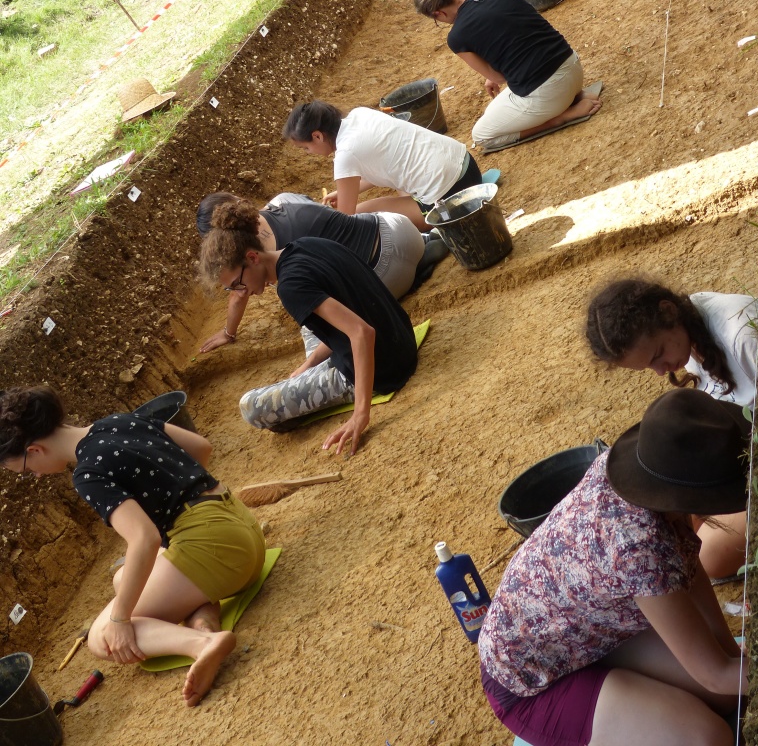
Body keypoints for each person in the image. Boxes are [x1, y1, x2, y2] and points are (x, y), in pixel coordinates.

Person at [479, 388, 749, 746]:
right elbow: (714, 674)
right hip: (528, 684)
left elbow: (688, 565)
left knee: (731, 691)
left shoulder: (641, 477)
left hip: (583, 637)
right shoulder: (638, 549)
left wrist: (729, 650)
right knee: (707, 738)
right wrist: (730, 666)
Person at [0, 385, 266, 707]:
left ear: (35, 451)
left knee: (101, 637)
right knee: (122, 578)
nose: (37, 477)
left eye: (25, 472)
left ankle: (202, 643)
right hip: (242, 529)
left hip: (217, 551)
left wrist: (120, 620)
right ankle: (203, 622)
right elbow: (201, 448)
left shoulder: (87, 473)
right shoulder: (119, 421)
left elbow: (145, 538)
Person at [198, 199, 418, 455]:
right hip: (402, 340)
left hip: (383, 369)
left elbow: (361, 333)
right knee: (309, 322)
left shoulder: (290, 287)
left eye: (237, 283)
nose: (240, 292)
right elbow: (352, 312)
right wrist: (307, 365)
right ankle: (313, 374)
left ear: (252, 257)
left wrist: (361, 414)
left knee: (250, 406)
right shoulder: (303, 244)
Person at [586, 277, 758, 578]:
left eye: (657, 356)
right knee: (676, 530)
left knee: (705, 559)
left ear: (667, 312)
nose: (661, 371)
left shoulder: (742, 335)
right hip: (744, 459)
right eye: (648, 367)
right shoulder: (687, 330)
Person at [196, 192, 437, 353]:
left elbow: (240, 293)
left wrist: (229, 333)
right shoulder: (282, 199)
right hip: (400, 228)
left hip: (387, 273)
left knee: (315, 322)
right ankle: (428, 245)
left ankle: (414, 271)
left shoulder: (271, 257)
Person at [413, 0, 601, 152]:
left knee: (482, 135)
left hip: (548, 91)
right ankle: (574, 96)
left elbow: (499, 78)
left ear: (439, 13)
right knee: (493, 110)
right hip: (572, 65)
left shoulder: (456, 37)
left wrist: (492, 74)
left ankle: (563, 116)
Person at [282, 101, 482, 232]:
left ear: (317, 136)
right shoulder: (360, 114)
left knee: (364, 213)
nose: (308, 153)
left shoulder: (344, 155)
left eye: (306, 148)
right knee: (402, 175)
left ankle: (432, 235)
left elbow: (344, 219)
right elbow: (386, 164)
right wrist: (343, 192)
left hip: (452, 200)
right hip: (468, 168)